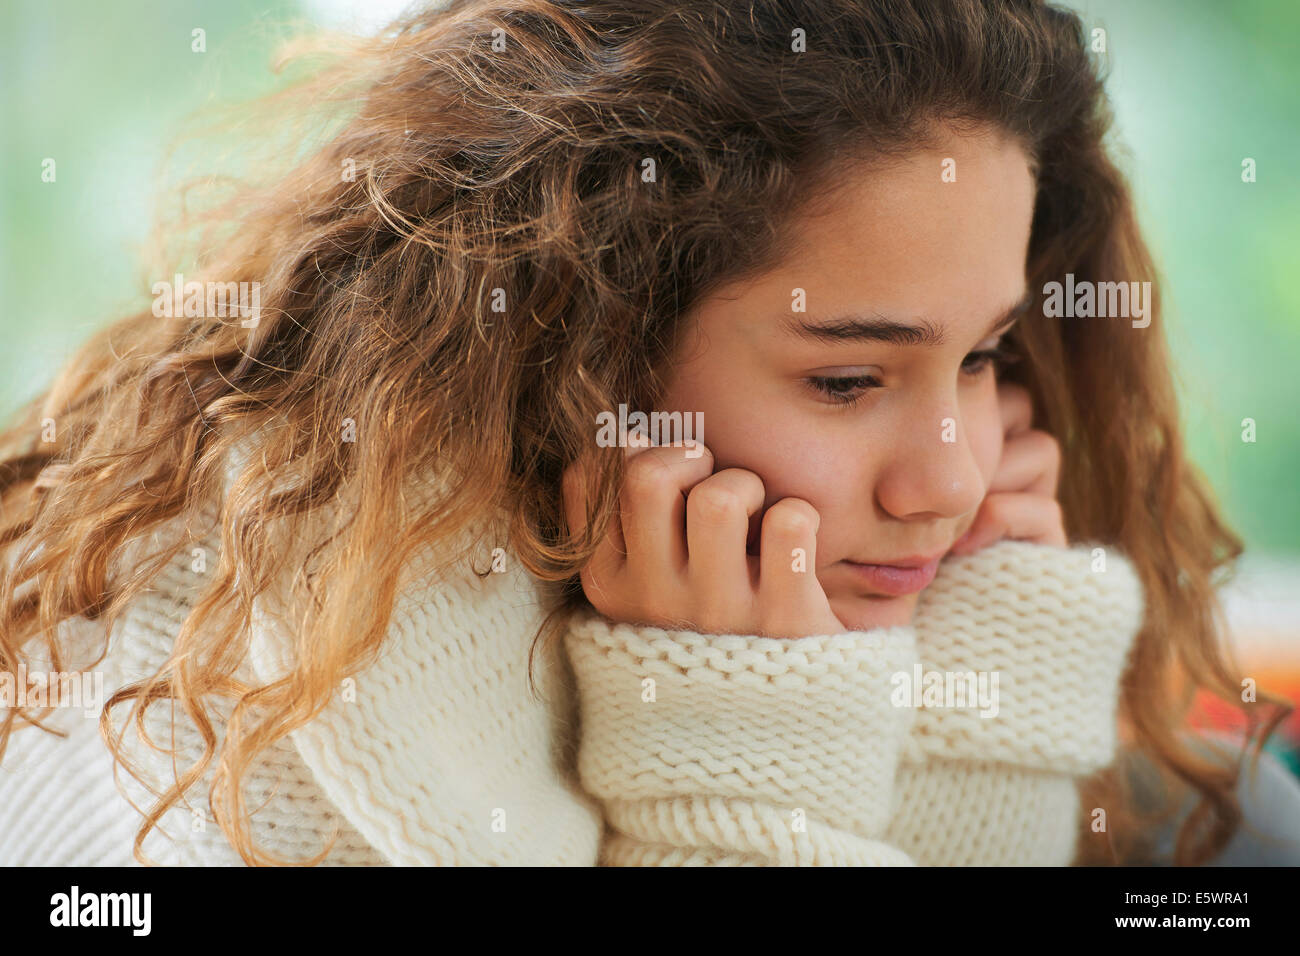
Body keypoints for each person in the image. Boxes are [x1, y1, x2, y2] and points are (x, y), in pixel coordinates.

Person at [0, 0, 1290, 866]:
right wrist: (735, 787)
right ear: (575, 347)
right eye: (847, 380)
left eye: (982, 356)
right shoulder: (224, 729)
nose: (950, 482)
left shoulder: (1006, 623)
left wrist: (971, 732)